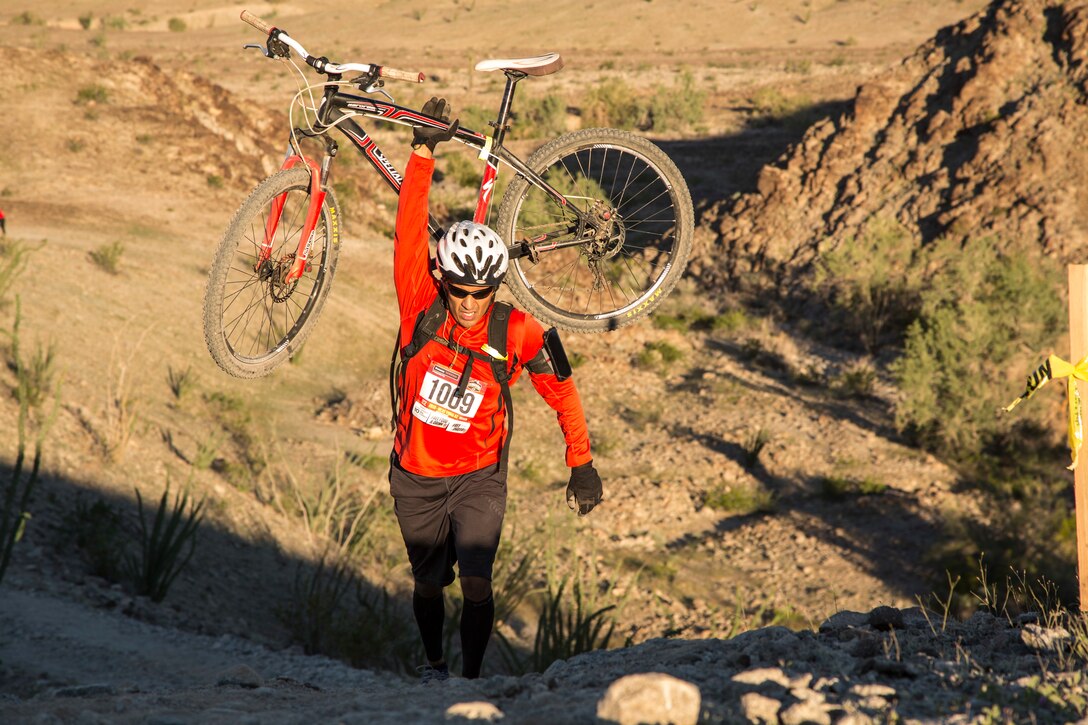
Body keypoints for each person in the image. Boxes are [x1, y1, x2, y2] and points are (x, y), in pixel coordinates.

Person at [389, 97, 603, 683]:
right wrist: (422, 151)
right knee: (428, 584)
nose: (467, 301)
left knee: (478, 579)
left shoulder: (517, 329)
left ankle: (472, 678)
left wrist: (580, 461)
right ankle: (433, 662)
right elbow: (410, 230)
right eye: (458, 288)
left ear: (494, 288)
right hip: (415, 474)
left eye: (480, 291)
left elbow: (562, 389)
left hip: (481, 474)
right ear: (443, 280)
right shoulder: (419, 309)